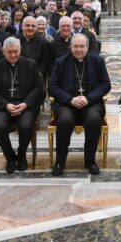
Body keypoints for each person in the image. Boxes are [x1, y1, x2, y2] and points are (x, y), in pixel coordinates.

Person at [49, 34, 111, 176]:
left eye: (82, 46)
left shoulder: (97, 61)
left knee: (94, 119)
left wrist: (88, 99)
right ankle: (60, 161)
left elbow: (105, 85)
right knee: (65, 120)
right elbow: (52, 87)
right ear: (70, 47)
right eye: (75, 46)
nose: (78, 49)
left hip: (90, 103)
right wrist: (70, 99)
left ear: (87, 47)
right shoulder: (61, 62)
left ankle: (90, 161)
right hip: (67, 103)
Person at [0, 38, 43, 174]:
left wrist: (26, 104)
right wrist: (6, 105)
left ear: (20, 50)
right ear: (3, 51)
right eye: (10, 52)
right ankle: (10, 156)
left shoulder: (31, 64)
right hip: (4, 106)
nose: (13, 55)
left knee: (26, 126)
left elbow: (39, 88)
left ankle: (22, 154)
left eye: (16, 51)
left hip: (25, 105)